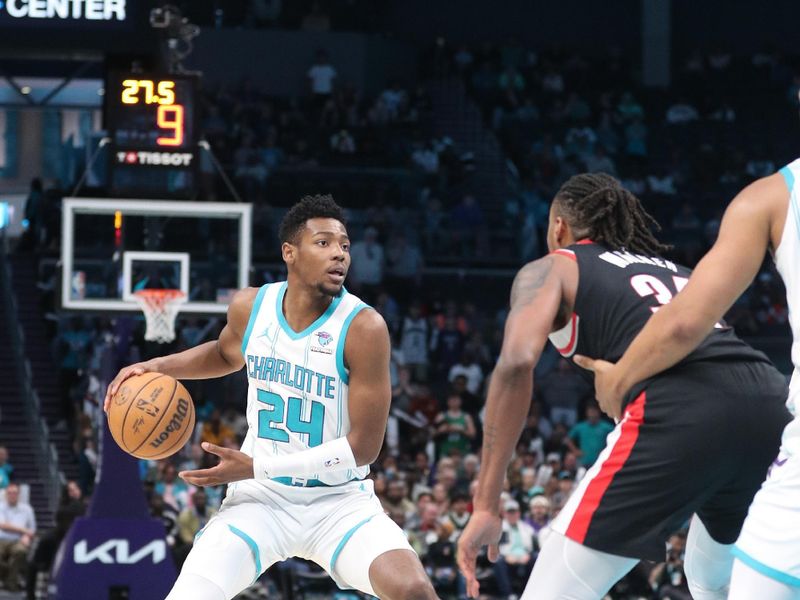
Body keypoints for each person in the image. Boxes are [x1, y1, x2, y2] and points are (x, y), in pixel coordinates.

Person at [456, 173, 791, 600]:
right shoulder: (678, 271)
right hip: (769, 405)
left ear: (558, 227)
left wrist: (486, 502)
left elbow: (517, 362)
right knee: (712, 582)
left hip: (679, 411)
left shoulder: (555, 265)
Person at [105, 195, 435, 600]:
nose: (339, 255)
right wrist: (160, 367)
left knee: (414, 590)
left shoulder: (364, 327)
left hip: (337, 501)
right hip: (261, 501)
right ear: (289, 252)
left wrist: (258, 466)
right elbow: (226, 354)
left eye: (345, 245)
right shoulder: (250, 307)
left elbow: (364, 449)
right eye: (324, 243)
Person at [578, 163, 800, 598]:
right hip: (765, 421)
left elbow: (685, 321)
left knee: (751, 582)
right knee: (709, 575)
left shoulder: (770, 197)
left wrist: (617, 380)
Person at [0, 483, 36, 592]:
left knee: (21, 551)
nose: (12, 495)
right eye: (10, 493)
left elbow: (32, 529)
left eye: (14, 493)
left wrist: (27, 537)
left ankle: (11, 583)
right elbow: (3, 526)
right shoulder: (0, 506)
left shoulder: (27, 509)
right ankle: (9, 578)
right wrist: (23, 530)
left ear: (19, 495)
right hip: (1, 539)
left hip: (18, 540)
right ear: (6, 494)